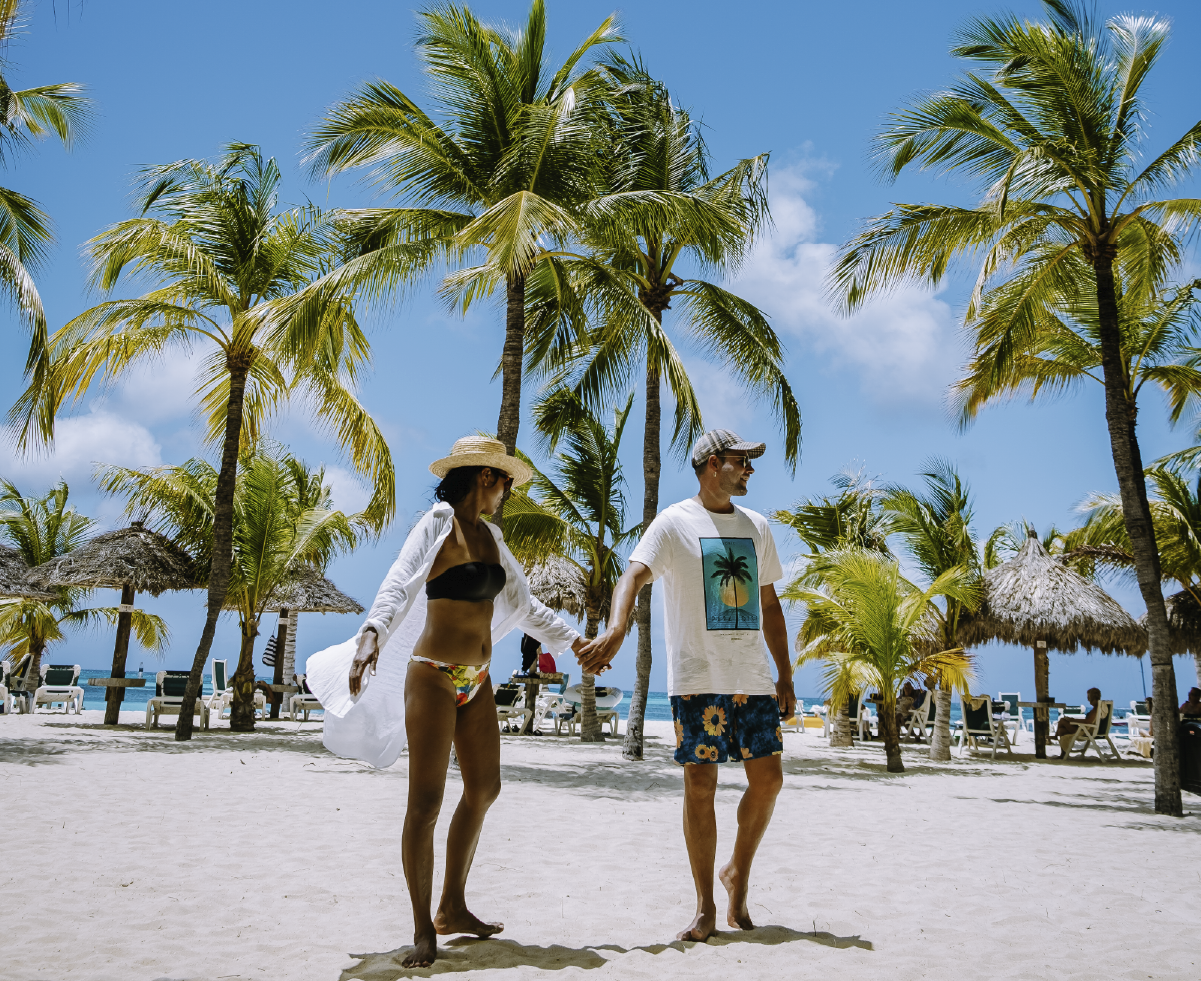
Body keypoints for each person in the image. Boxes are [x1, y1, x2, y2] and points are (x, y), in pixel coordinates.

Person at [305, 436, 585, 969]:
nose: (507, 491)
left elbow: (524, 605)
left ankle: (452, 906)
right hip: (432, 675)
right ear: (485, 476)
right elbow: (398, 582)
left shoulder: (492, 538)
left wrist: (575, 642)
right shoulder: (439, 523)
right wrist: (370, 637)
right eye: (504, 481)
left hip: (477, 679)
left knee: (484, 789)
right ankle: (421, 929)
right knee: (426, 803)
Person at [579, 428, 795, 942]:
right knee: (701, 787)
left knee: (769, 782)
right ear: (713, 463)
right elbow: (632, 576)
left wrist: (786, 674)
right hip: (697, 678)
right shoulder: (673, 523)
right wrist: (617, 628)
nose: (750, 469)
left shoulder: (757, 526)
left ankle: (737, 872)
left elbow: (769, 606)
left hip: (752, 678)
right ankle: (705, 907)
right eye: (742, 460)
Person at [1055, 687, 1102, 754]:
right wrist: (1073, 720)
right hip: (1087, 730)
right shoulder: (1098, 707)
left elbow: (1088, 721)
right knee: (1061, 730)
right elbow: (1089, 721)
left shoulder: (1095, 709)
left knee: (1062, 720)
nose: (1088, 700)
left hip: (1085, 732)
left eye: (1088, 697)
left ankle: (1055, 736)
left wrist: (1073, 720)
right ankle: (1063, 754)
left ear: (1092, 697)